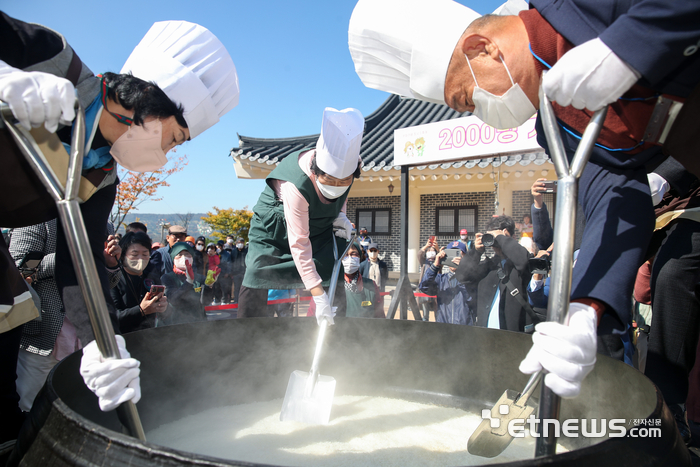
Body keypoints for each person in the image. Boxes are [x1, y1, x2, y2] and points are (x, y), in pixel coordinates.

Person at [349, 0, 700, 398]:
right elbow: (616, 197)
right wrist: (585, 307)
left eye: (468, 100)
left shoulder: (579, 7)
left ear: (484, 47)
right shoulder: (555, 129)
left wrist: (630, 46)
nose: (479, 114)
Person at [0, 14, 239, 421]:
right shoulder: (53, 59)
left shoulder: (100, 178)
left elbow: (80, 265)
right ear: (150, 103)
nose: (167, 154)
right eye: (175, 138)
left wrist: (100, 340)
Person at [238, 107, 364, 324]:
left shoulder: (352, 168)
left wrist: (340, 216)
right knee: (257, 274)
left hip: (318, 229)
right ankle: (246, 337)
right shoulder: (296, 183)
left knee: (332, 271)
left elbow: (341, 197)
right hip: (273, 230)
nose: (337, 186)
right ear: (315, 172)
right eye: (329, 180)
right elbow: (299, 243)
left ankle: (336, 337)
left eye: (343, 181)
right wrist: (317, 296)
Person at [455, 215, 535, 332]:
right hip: (486, 337)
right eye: (495, 240)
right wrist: (476, 252)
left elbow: (523, 261)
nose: (497, 243)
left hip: (513, 338)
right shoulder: (489, 266)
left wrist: (501, 237)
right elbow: (462, 276)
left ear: (513, 237)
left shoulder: (521, 264)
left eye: (501, 239)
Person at [111, 232, 169, 334]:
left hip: (148, 337)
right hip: (122, 338)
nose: (140, 259)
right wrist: (140, 310)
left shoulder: (151, 277)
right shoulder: (114, 279)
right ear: (123, 255)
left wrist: (163, 307)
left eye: (145, 254)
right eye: (134, 254)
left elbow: (164, 313)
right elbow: (112, 316)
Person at [308, 241, 385, 318]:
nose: (349, 258)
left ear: (360, 258)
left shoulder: (371, 286)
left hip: (365, 329)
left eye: (354, 254)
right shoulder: (328, 286)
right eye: (345, 255)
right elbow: (311, 317)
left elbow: (380, 317)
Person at [419, 241, 473, 325]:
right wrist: (435, 266)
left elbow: (471, 298)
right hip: (443, 328)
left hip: (464, 330)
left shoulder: (472, 278)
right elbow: (424, 287)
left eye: (458, 255)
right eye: (451, 255)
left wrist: (463, 271)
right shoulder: (441, 279)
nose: (454, 259)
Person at [160, 242, 206, 324]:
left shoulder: (200, 278)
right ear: (173, 258)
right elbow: (173, 300)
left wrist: (210, 286)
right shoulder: (167, 278)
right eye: (179, 255)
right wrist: (188, 282)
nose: (184, 257)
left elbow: (205, 301)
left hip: (198, 322)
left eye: (187, 254)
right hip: (175, 323)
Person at [417, 237, 439, 321]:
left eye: (433, 251)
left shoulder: (438, 261)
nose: (431, 253)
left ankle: (438, 323)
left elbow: (442, 258)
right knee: (425, 313)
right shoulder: (424, 262)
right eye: (429, 251)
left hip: (436, 288)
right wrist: (426, 246)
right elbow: (419, 254)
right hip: (425, 289)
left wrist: (437, 249)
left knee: (437, 310)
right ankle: (425, 323)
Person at [230, 237, 247, 303]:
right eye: (239, 243)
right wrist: (231, 271)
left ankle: (243, 301)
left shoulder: (246, 251)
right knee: (236, 288)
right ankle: (236, 300)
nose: (240, 244)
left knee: (244, 288)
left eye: (242, 243)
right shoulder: (233, 251)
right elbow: (231, 261)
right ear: (236, 243)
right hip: (236, 273)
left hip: (244, 273)